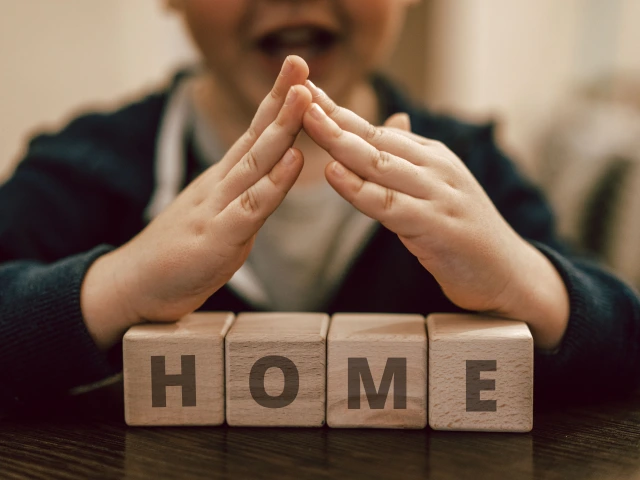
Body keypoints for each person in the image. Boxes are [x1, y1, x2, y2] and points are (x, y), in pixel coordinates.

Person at [0, 0, 638, 416]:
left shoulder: (472, 163)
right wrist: (119, 285)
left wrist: (520, 280)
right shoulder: (85, 164)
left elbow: (624, 341)